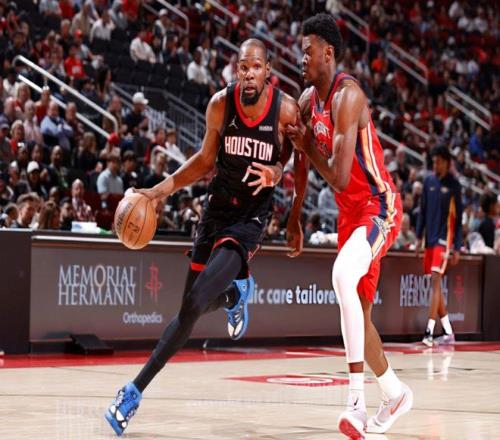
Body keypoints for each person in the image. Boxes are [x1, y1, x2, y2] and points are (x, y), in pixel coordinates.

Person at [104, 38, 296, 436]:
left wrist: (277, 172)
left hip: (249, 219)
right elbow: (206, 160)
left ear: (267, 71)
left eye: (255, 67)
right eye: (243, 67)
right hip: (216, 211)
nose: (248, 73)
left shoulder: (286, 109)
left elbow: (293, 152)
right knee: (187, 310)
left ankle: (132, 393)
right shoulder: (220, 105)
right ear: (237, 70)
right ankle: (234, 297)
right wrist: (159, 191)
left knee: (193, 304)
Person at [285, 13, 412, 438]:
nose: (302, 58)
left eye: (308, 52)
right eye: (300, 52)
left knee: (341, 275)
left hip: (378, 206)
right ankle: (395, 393)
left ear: (328, 53)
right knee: (360, 314)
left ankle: (355, 404)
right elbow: (301, 161)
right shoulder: (307, 100)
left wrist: (306, 143)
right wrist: (295, 216)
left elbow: (339, 176)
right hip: (348, 214)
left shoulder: (348, 96)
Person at [416, 146, 462, 347]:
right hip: (429, 240)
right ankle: (448, 331)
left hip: (444, 240)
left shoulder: (454, 185)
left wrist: (457, 247)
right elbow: (422, 211)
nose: (435, 165)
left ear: (447, 162)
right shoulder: (428, 182)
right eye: (433, 161)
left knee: (435, 281)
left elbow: (458, 220)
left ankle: (429, 332)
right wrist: (419, 238)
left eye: (438, 161)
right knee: (435, 285)